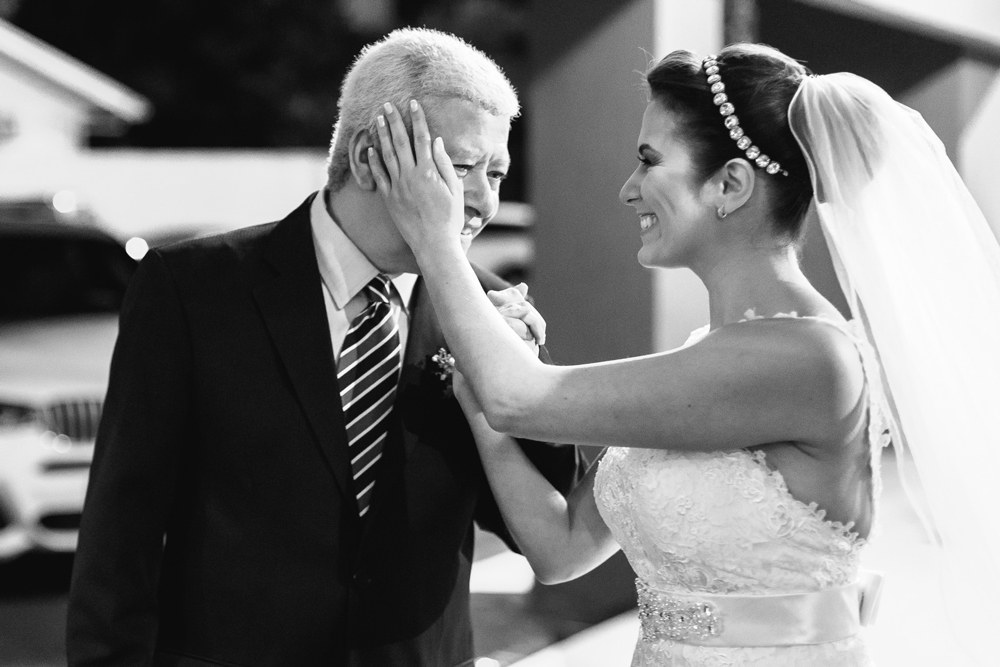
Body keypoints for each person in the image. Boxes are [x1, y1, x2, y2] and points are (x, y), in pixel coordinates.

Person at [368, 42, 1000, 666]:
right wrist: (477, 395)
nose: (627, 190)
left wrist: (434, 234)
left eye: (649, 161)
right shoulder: (707, 359)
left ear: (730, 184)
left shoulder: (807, 357)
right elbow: (559, 551)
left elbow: (521, 397)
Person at [66, 27, 582, 667]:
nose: (482, 200)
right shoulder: (191, 291)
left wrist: (516, 377)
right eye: (462, 167)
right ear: (370, 157)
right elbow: (124, 530)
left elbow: (540, 527)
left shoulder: (490, 311)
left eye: (497, 173)